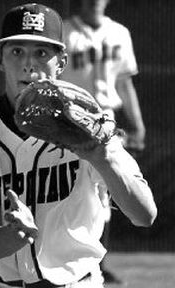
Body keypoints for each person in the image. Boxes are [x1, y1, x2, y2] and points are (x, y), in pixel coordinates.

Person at [0, 3, 157, 288]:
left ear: (62, 62)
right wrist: (14, 235)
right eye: (17, 51)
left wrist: (102, 158)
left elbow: (144, 215)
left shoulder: (90, 125)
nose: (29, 64)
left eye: (42, 53)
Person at [59, 0, 146, 283]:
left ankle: (97, 260)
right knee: (75, 189)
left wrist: (137, 123)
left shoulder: (119, 32)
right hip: (70, 120)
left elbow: (124, 83)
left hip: (106, 120)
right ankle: (66, 255)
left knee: (106, 190)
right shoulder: (64, 32)